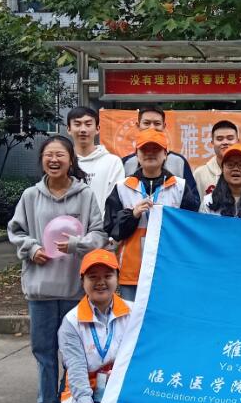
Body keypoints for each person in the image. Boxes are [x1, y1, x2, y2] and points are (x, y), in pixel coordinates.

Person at [8, 135, 107, 403]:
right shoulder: (30, 196)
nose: (54, 160)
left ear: (70, 160)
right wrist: (31, 248)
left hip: (75, 288)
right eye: (49, 155)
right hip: (41, 288)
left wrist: (78, 244)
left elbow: (99, 234)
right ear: (42, 160)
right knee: (44, 349)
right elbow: (16, 231)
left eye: (60, 155)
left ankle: (72, 398)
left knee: (77, 349)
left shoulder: (85, 195)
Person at [56, 249, 136, 403]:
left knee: (130, 388)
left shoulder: (134, 313)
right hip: (88, 385)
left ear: (117, 278)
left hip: (120, 385)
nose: (101, 282)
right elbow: (75, 366)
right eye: (93, 277)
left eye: (107, 276)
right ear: (82, 281)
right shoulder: (71, 321)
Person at [105, 129, 200, 301]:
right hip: (132, 271)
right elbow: (112, 229)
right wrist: (132, 215)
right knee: (131, 316)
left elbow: (191, 227)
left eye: (155, 149)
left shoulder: (180, 187)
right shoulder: (122, 187)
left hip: (169, 268)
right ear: (137, 154)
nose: (150, 153)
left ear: (165, 154)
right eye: (144, 149)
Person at [121, 105, 200, 203]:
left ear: (164, 126)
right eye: (146, 123)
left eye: (157, 123)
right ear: (138, 126)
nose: (152, 128)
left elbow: (193, 203)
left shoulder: (179, 162)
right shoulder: (126, 163)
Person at [66, 106, 125, 216]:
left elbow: (115, 202)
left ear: (97, 128)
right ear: (69, 129)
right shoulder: (63, 162)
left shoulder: (112, 162)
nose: (83, 130)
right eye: (77, 124)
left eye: (88, 124)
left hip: (102, 226)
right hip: (67, 225)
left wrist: (99, 224)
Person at [193, 120, 239, 198]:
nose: (225, 142)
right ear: (212, 142)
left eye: (230, 138)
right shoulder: (199, 174)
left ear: (237, 141)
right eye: (220, 139)